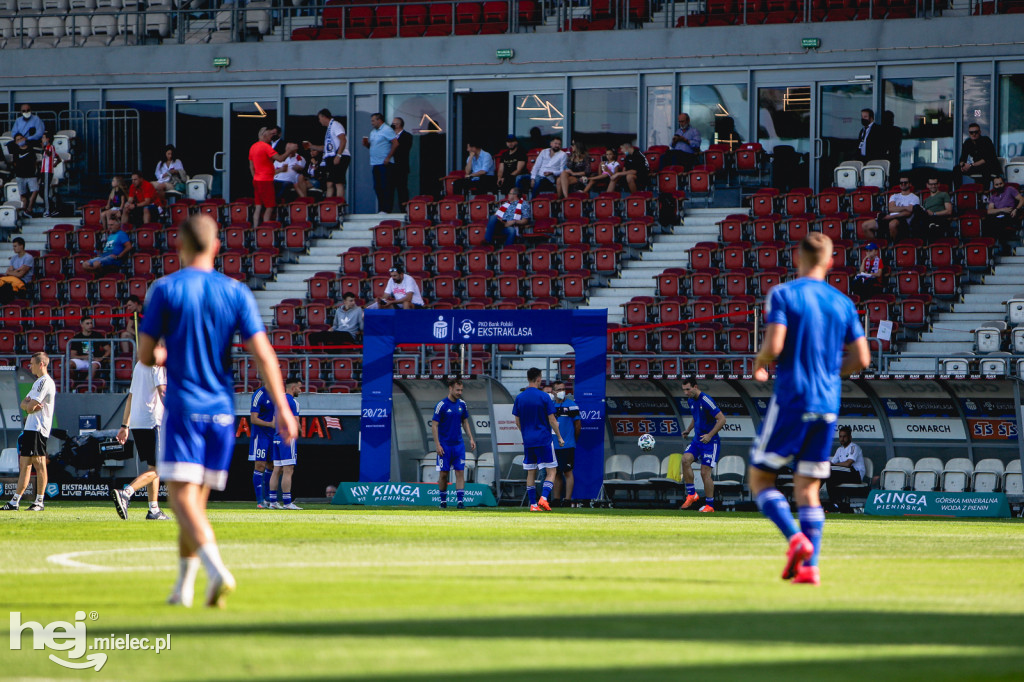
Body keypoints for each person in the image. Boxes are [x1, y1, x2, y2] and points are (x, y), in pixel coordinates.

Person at [138, 214, 297, 608]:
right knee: (195, 504)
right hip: (223, 412)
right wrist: (283, 408)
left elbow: (145, 355)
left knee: (180, 501)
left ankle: (217, 571)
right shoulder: (237, 291)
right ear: (216, 247)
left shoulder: (165, 289)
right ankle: (183, 590)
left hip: (185, 408)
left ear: (180, 246)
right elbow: (264, 355)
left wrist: (161, 351)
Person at [749, 233, 871, 586]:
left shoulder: (785, 293)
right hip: (827, 402)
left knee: (760, 478)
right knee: (808, 489)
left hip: (792, 397)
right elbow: (862, 358)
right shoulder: (843, 302)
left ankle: (794, 537)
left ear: (797, 257)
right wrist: (832, 374)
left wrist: (760, 361)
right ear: (831, 261)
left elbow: (775, 344)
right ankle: (810, 568)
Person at [111, 344, 170, 521]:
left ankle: (154, 509)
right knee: (159, 468)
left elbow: (131, 397)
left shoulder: (139, 365)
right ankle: (126, 493)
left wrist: (124, 425)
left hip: (138, 422)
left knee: (153, 467)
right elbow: (163, 392)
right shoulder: (157, 365)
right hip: (153, 421)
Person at [3, 352, 55, 512]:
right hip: (30, 428)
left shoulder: (44, 382)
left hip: (38, 428)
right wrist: (28, 405)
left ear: (41, 364)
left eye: (32, 363)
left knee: (39, 463)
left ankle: (39, 501)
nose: (29, 366)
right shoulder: (37, 382)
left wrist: (28, 405)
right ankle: (15, 501)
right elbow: (23, 405)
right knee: (24, 464)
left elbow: (30, 406)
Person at [512, 367, 564, 512]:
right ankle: (544, 498)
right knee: (552, 471)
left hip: (528, 440)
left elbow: (517, 421)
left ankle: (533, 504)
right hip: (543, 439)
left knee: (531, 472)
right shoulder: (544, 397)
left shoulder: (520, 397)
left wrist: (526, 433)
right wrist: (559, 436)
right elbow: (552, 419)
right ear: (539, 379)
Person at [679, 376, 727, 513]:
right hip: (697, 440)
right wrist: (688, 430)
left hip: (711, 442)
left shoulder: (706, 400)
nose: (686, 393)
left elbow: (722, 419)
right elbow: (696, 418)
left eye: (688, 389)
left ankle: (710, 505)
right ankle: (692, 494)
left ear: (695, 386)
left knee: (704, 473)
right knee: (685, 459)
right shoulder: (690, 401)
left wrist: (709, 435)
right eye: (684, 390)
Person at [432, 377, 476, 510]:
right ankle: (443, 502)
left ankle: (460, 502)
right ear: (450, 388)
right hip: (445, 445)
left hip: (458, 445)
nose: (459, 392)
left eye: (461, 390)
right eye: (457, 390)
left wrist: (471, 438)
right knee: (444, 474)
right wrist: (437, 445)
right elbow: (434, 426)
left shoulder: (462, 404)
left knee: (460, 472)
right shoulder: (442, 405)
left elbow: (465, 422)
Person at [249, 127, 298, 229]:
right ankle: (266, 229)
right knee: (269, 206)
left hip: (257, 180)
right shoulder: (266, 147)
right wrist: (289, 151)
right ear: (264, 135)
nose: (272, 137)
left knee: (258, 206)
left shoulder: (253, 147)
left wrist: (255, 177)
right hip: (266, 181)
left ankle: (255, 228)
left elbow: (251, 166)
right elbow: (280, 159)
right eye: (270, 135)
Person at [267, 377, 303, 510]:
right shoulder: (293, 403)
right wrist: (299, 430)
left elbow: (273, 421)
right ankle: (287, 502)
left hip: (276, 437)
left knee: (276, 470)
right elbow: (296, 423)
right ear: (293, 388)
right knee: (288, 470)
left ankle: (272, 502)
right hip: (287, 438)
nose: (300, 390)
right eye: (299, 387)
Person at [305, 109, 350, 199]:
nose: (319, 121)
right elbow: (326, 148)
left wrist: (339, 155)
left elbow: (343, 139)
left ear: (323, 116)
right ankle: (329, 204)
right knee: (329, 183)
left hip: (340, 156)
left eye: (319, 119)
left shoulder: (335, 125)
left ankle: (339, 203)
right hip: (331, 157)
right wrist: (312, 146)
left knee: (338, 182)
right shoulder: (329, 129)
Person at [551, 380, 581, 507]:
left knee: (567, 472)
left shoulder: (572, 405)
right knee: (555, 472)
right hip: (553, 445)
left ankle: (568, 500)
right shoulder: (550, 406)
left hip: (567, 445)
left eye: (563, 389)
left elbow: (578, 425)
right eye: (558, 389)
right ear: (553, 392)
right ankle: (557, 499)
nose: (561, 392)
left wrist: (572, 440)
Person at [861, 175, 919, 241]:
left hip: (903, 220)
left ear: (910, 184)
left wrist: (891, 215)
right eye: (901, 183)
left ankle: (893, 246)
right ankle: (876, 246)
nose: (903, 184)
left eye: (905, 182)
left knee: (892, 224)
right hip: (889, 218)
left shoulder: (914, 197)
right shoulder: (894, 196)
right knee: (865, 225)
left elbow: (908, 213)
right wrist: (906, 207)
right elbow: (891, 208)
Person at [823, 426, 866, 513]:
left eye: (844, 436)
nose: (842, 439)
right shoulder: (840, 449)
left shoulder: (854, 447)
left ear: (850, 437)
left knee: (830, 475)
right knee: (827, 475)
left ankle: (835, 503)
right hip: (845, 474)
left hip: (856, 475)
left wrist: (833, 465)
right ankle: (835, 503)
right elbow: (832, 463)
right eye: (840, 436)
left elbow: (847, 464)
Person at [364, 112, 398, 214]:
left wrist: (388, 157)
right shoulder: (373, 132)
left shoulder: (387, 130)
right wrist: (366, 144)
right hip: (375, 162)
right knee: (377, 186)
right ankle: (381, 208)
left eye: (373, 120)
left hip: (385, 163)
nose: (372, 123)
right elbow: (372, 147)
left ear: (379, 120)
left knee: (386, 186)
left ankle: (387, 209)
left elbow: (396, 143)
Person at [248, 382, 276, 509]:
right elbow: (253, 419)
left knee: (272, 465)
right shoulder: (259, 394)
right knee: (260, 465)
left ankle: (270, 499)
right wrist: (270, 424)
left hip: (273, 436)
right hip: (260, 435)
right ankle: (260, 501)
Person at [954, 123, 1000, 188]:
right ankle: (957, 193)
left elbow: (986, 159)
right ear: (969, 133)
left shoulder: (986, 140)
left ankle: (985, 193)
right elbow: (962, 158)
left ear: (980, 132)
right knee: (956, 169)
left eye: (976, 132)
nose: (974, 134)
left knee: (985, 168)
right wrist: (963, 165)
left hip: (989, 166)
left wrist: (970, 165)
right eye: (971, 132)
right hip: (975, 166)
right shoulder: (967, 142)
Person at [983, 175, 1024, 247]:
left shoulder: (1010, 189)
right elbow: (989, 211)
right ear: (994, 186)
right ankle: (989, 246)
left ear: (1004, 183)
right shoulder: (993, 196)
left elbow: (1022, 199)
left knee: (998, 223)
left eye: (1001, 183)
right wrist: (1002, 209)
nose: (999, 186)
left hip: (1011, 213)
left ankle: (1002, 246)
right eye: (997, 184)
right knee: (987, 221)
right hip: (1000, 214)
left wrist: (1016, 209)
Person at [7, 134, 39, 219]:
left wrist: (34, 171)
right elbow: (15, 163)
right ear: (16, 142)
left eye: (21, 138)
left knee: (35, 190)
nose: (20, 140)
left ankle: (29, 209)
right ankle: (24, 211)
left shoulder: (31, 149)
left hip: (31, 175)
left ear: (24, 138)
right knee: (23, 195)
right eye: (18, 139)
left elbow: (35, 162)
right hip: (20, 176)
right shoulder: (16, 151)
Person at [391, 117, 413, 209]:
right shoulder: (390, 136)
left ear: (399, 124)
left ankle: (404, 209)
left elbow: (403, 149)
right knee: (389, 189)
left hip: (401, 166)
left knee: (402, 188)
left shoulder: (407, 136)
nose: (392, 125)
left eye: (394, 123)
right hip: (391, 166)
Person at [38, 131, 60, 217]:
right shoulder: (46, 149)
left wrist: (44, 148)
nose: (42, 139)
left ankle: (48, 210)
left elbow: (49, 153)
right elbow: (58, 158)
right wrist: (55, 163)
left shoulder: (50, 147)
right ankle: (52, 207)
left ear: (48, 139)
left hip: (47, 172)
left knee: (45, 191)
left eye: (43, 137)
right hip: (43, 172)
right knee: (41, 191)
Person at [881, 111, 902, 182]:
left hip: (893, 159)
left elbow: (897, 145)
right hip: (883, 159)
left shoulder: (896, 131)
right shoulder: (879, 131)